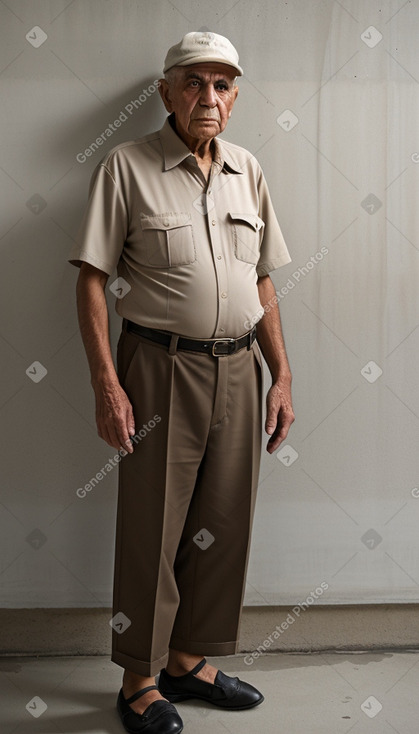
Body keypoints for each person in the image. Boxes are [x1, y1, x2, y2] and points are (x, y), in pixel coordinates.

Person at [69, 30, 294, 734]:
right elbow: (93, 280)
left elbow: (261, 279)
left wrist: (281, 374)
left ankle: (188, 662)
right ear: (165, 91)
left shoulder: (247, 169)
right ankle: (138, 679)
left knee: (222, 525)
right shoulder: (126, 166)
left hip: (238, 368)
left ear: (234, 98)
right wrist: (107, 384)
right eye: (194, 82)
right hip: (158, 368)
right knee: (153, 530)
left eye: (222, 84)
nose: (209, 97)